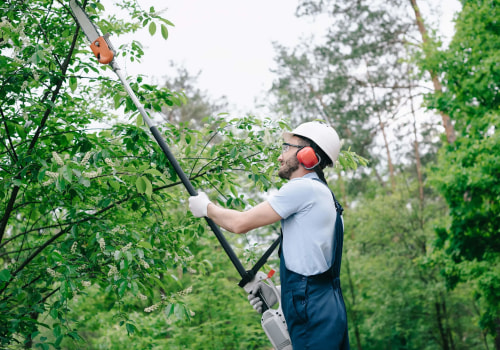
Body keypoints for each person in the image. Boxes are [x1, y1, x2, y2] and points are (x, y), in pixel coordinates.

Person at [188, 121, 350, 349]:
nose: (280, 157)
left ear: (308, 155)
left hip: (311, 310)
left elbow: (239, 224)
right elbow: (315, 267)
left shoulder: (303, 188)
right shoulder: (325, 198)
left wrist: (206, 207)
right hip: (326, 307)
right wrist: (282, 293)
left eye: (286, 147)